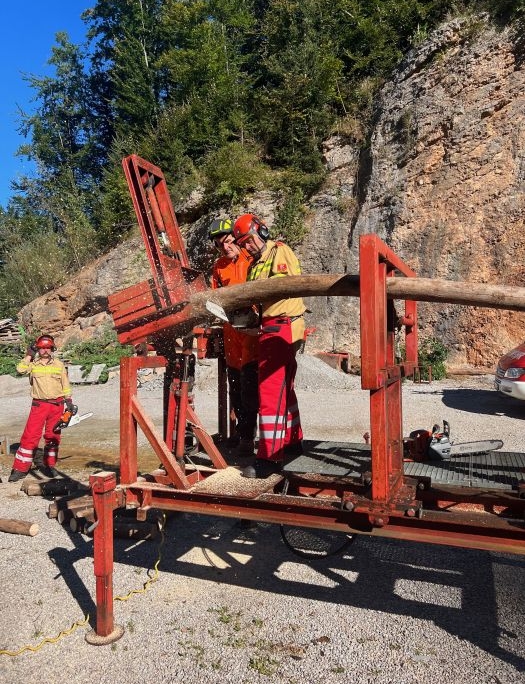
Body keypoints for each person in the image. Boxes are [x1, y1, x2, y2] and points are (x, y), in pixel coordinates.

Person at [232, 213, 306, 478]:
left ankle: (269, 458)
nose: (248, 247)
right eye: (244, 244)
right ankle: (294, 440)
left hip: (281, 326)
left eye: (249, 241)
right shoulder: (255, 264)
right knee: (285, 386)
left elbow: (284, 285)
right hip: (271, 325)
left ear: (261, 232)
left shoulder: (279, 252)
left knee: (270, 391)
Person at [209, 218, 259, 457]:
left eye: (229, 242)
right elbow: (214, 297)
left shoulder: (252, 259)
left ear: (236, 240)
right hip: (231, 336)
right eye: (221, 245)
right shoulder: (218, 267)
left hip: (250, 334)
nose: (226, 247)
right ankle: (241, 433)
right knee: (236, 389)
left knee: (250, 389)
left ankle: (248, 438)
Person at [8, 334, 74, 482]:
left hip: (57, 405)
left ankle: (49, 465)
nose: (45, 351)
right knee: (30, 436)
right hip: (39, 405)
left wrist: (69, 401)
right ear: (38, 349)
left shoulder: (59, 365)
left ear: (52, 349)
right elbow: (20, 369)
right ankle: (20, 469)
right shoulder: (33, 364)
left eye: (48, 348)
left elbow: (65, 384)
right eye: (42, 348)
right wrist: (29, 355)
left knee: (53, 437)